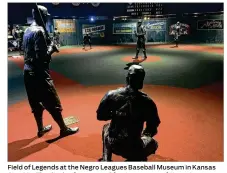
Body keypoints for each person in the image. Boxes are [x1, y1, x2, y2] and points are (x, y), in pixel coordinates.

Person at [23, 5, 79, 138]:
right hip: (40, 74)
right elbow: (42, 58)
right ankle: (63, 129)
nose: (48, 19)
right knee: (53, 101)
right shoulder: (39, 31)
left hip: (27, 73)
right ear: (42, 16)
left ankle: (40, 128)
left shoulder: (27, 30)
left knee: (35, 102)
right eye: (46, 16)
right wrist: (52, 48)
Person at [97, 65, 160, 161]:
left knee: (106, 128)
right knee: (153, 143)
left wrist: (116, 114)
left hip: (113, 143)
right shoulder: (147, 102)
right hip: (132, 147)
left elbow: (100, 115)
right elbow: (153, 128)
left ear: (127, 79)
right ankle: (134, 159)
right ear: (141, 81)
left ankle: (106, 159)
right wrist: (144, 134)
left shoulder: (111, 94)